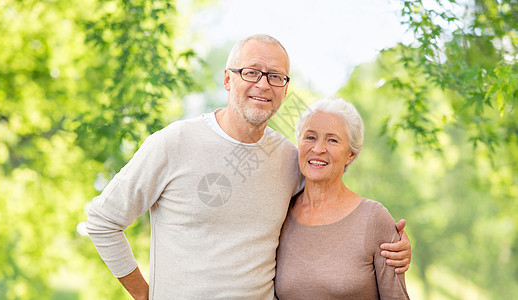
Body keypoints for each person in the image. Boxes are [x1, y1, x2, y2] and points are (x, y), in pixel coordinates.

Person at [86, 34, 411, 300]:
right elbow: (102, 221)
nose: (263, 84)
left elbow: (330, 203)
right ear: (228, 79)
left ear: (285, 90)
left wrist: (387, 247)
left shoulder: (288, 159)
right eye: (252, 72)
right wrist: (145, 295)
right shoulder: (174, 143)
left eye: (275, 77)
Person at [275, 97, 410, 299]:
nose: (318, 148)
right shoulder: (280, 214)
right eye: (310, 137)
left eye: (332, 140)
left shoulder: (374, 219)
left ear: (350, 154)